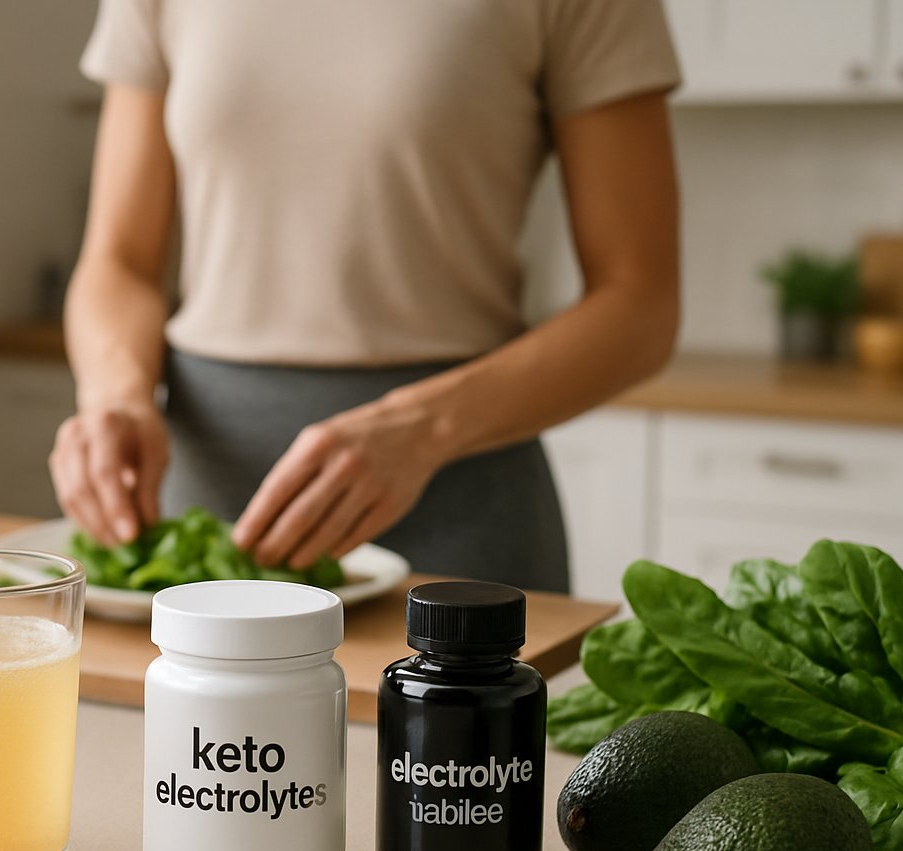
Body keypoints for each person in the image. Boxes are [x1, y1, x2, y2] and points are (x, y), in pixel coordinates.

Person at [48, 0, 681, 592]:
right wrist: (115, 395)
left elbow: (641, 303)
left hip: (456, 496)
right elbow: (117, 262)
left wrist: (425, 427)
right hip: (200, 503)